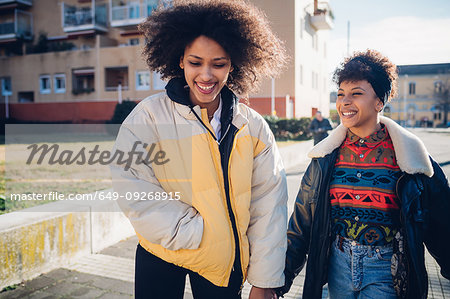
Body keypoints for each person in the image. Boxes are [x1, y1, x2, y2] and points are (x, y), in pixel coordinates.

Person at [110, 1, 288, 298]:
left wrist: (265, 279)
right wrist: (194, 232)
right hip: (162, 252)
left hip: (224, 262)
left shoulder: (254, 127)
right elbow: (130, 183)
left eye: (218, 64)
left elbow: (269, 205)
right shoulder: (149, 116)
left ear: (233, 65)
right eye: (195, 62)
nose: (206, 75)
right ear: (180, 60)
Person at [274, 50, 450, 299]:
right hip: (338, 266)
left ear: (380, 101)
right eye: (341, 95)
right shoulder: (325, 156)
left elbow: (442, 224)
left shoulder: (412, 158)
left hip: (387, 270)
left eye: (356, 94)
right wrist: (279, 279)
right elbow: (302, 224)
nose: (345, 102)